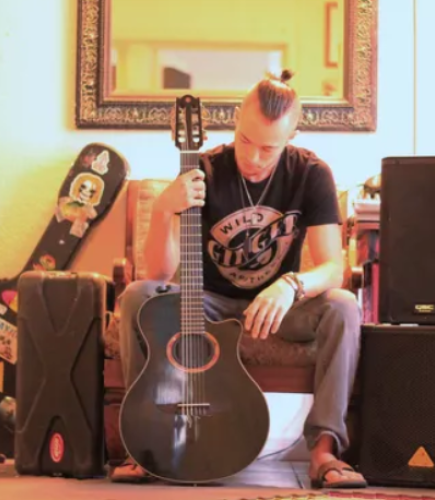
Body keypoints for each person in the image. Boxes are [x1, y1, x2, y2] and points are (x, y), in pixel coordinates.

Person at [110, 69, 366, 489]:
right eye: (245, 141)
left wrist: (291, 285)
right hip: (206, 303)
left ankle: (324, 451)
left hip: (276, 309)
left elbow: (333, 268)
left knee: (343, 305)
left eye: (269, 148)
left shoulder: (310, 174)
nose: (254, 157)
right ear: (235, 123)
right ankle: (145, 444)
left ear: (292, 137)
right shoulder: (204, 170)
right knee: (139, 296)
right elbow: (156, 275)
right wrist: (163, 210)